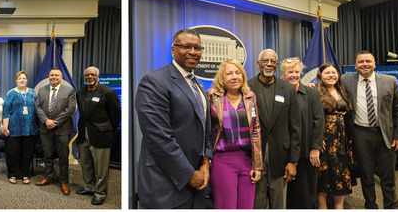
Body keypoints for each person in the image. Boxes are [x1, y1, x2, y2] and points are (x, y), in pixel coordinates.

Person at [135, 29, 212, 209]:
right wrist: (188, 174)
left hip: (198, 180)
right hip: (166, 183)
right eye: (186, 46)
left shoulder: (198, 84)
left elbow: (205, 130)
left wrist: (206, 162)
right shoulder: (154, 82)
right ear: (173, 49)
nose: (193, 52)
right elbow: (159, 138)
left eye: (197, 48)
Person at [341, 51, 398, 209]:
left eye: (368, 61)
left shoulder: (390, 81)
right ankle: (371, 206)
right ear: (355, 66)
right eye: (361, 61)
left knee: (388, 176)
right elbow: (328, 89)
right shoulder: (345, 80)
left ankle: (391, 207)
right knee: (366, 175)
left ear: (374, 64)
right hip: (360, 134)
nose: (365, 64)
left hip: (386, 135)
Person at [248, 49, 301, 209]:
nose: (269, 64)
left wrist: (293, 161)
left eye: (272, 61)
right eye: (265, 61)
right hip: (254, 156)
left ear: (277, 65)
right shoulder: (247, 87)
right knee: (257, 203)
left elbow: (295, 128)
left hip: (281, 157)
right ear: (258, 63)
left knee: (279, 203)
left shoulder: (288, 89)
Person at [207, 59, 262, 209]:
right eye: (229, 73)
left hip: (246, 161)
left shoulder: (250, 97)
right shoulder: (213, 96)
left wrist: (257, 165)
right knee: (227, 206)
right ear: (222, 78)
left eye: (238, 73)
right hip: (222, 160)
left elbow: (256, 130)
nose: (234, 77)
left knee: (246, 206)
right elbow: (205, 130)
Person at [281, 58, 324, 209]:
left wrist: (315, 148)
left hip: (306, 153)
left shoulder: (311, 94)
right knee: (286, 195)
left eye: (297, 72)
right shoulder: (278, 93)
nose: (294, 75)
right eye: (290, 72)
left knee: (306, 194)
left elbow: (319, 122)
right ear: (283, 74)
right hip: (284, 153)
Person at [75, 66, 121, 205]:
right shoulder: (80, 92)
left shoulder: (108, 92)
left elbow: (115, 115)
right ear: (84, 77)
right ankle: (89, 187)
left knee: (101, 168)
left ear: (98, 76)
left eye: (92, 75)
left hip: (100, 135)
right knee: (86, 164)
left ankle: (100, 193)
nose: (89, 77)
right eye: (87, 75)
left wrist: (107, 129)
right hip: (84, 133)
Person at [314, 62, 354, 209]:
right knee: (323, 178)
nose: (331, 75)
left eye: (334, 72)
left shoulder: (342, 91)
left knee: (341, 176)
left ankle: (339, 208)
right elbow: (312, 119)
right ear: (320, 76)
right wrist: (317, 140)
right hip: (325, 142)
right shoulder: (315, 92)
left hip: (342, 141)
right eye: (327, 73)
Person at [34, 68, 76, 195]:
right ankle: (49, 177)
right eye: (51, 75)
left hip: (62, 129)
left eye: (56, 75)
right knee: (47, 155)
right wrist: (46, 121)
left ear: (61, 77)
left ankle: (63, 181)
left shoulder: (69, 90)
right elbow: (37, 107)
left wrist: (54, 122)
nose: (54, 77)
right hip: (45, 128)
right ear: (48, 76)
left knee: (63, 156)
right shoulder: (42, 90)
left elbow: (70, 109)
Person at [2, 71, 38, 185]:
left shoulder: (32, 93)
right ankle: (12, 174)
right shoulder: (11, 93)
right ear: (16, 80)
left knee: (27, 153)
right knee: (13, 153)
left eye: (24, 78)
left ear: (27, 80)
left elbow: (37, 109)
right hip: (14, 129)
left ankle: (25, 174)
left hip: (30, 128)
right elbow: (6, 112)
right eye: (20, 78)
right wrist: (5, 127)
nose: (22, 80)